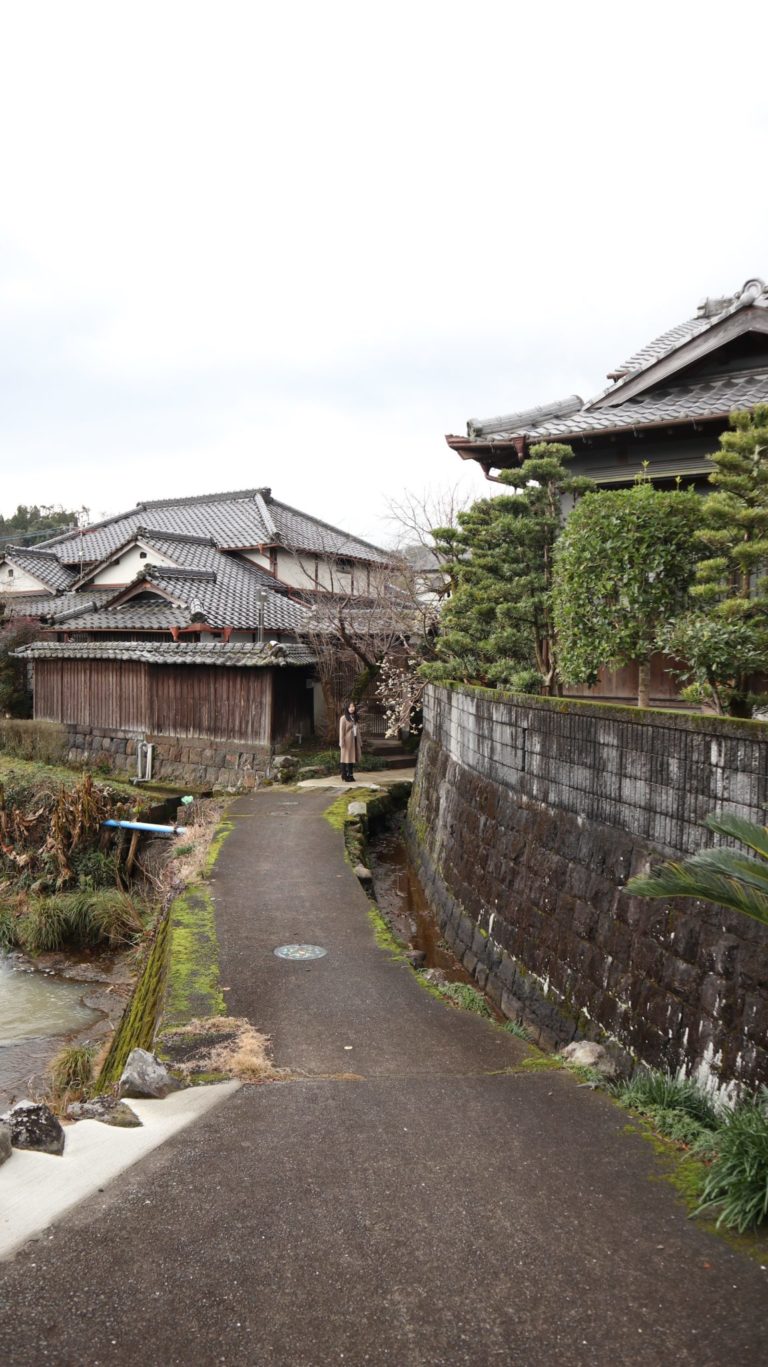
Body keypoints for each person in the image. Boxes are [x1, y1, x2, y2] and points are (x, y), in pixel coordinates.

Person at [339, 700, 362, 782]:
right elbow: (341, 731)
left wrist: (359, 741)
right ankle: (344, 775)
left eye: (353, 706)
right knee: (345, 758)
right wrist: (341, 742)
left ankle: (350, 775)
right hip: (347, 741)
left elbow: (357, 730)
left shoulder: (355, 717)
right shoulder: (343, 718)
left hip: (354, 740)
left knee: (352, 758)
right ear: (347, 708)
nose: (352, 708)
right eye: (350, 707)